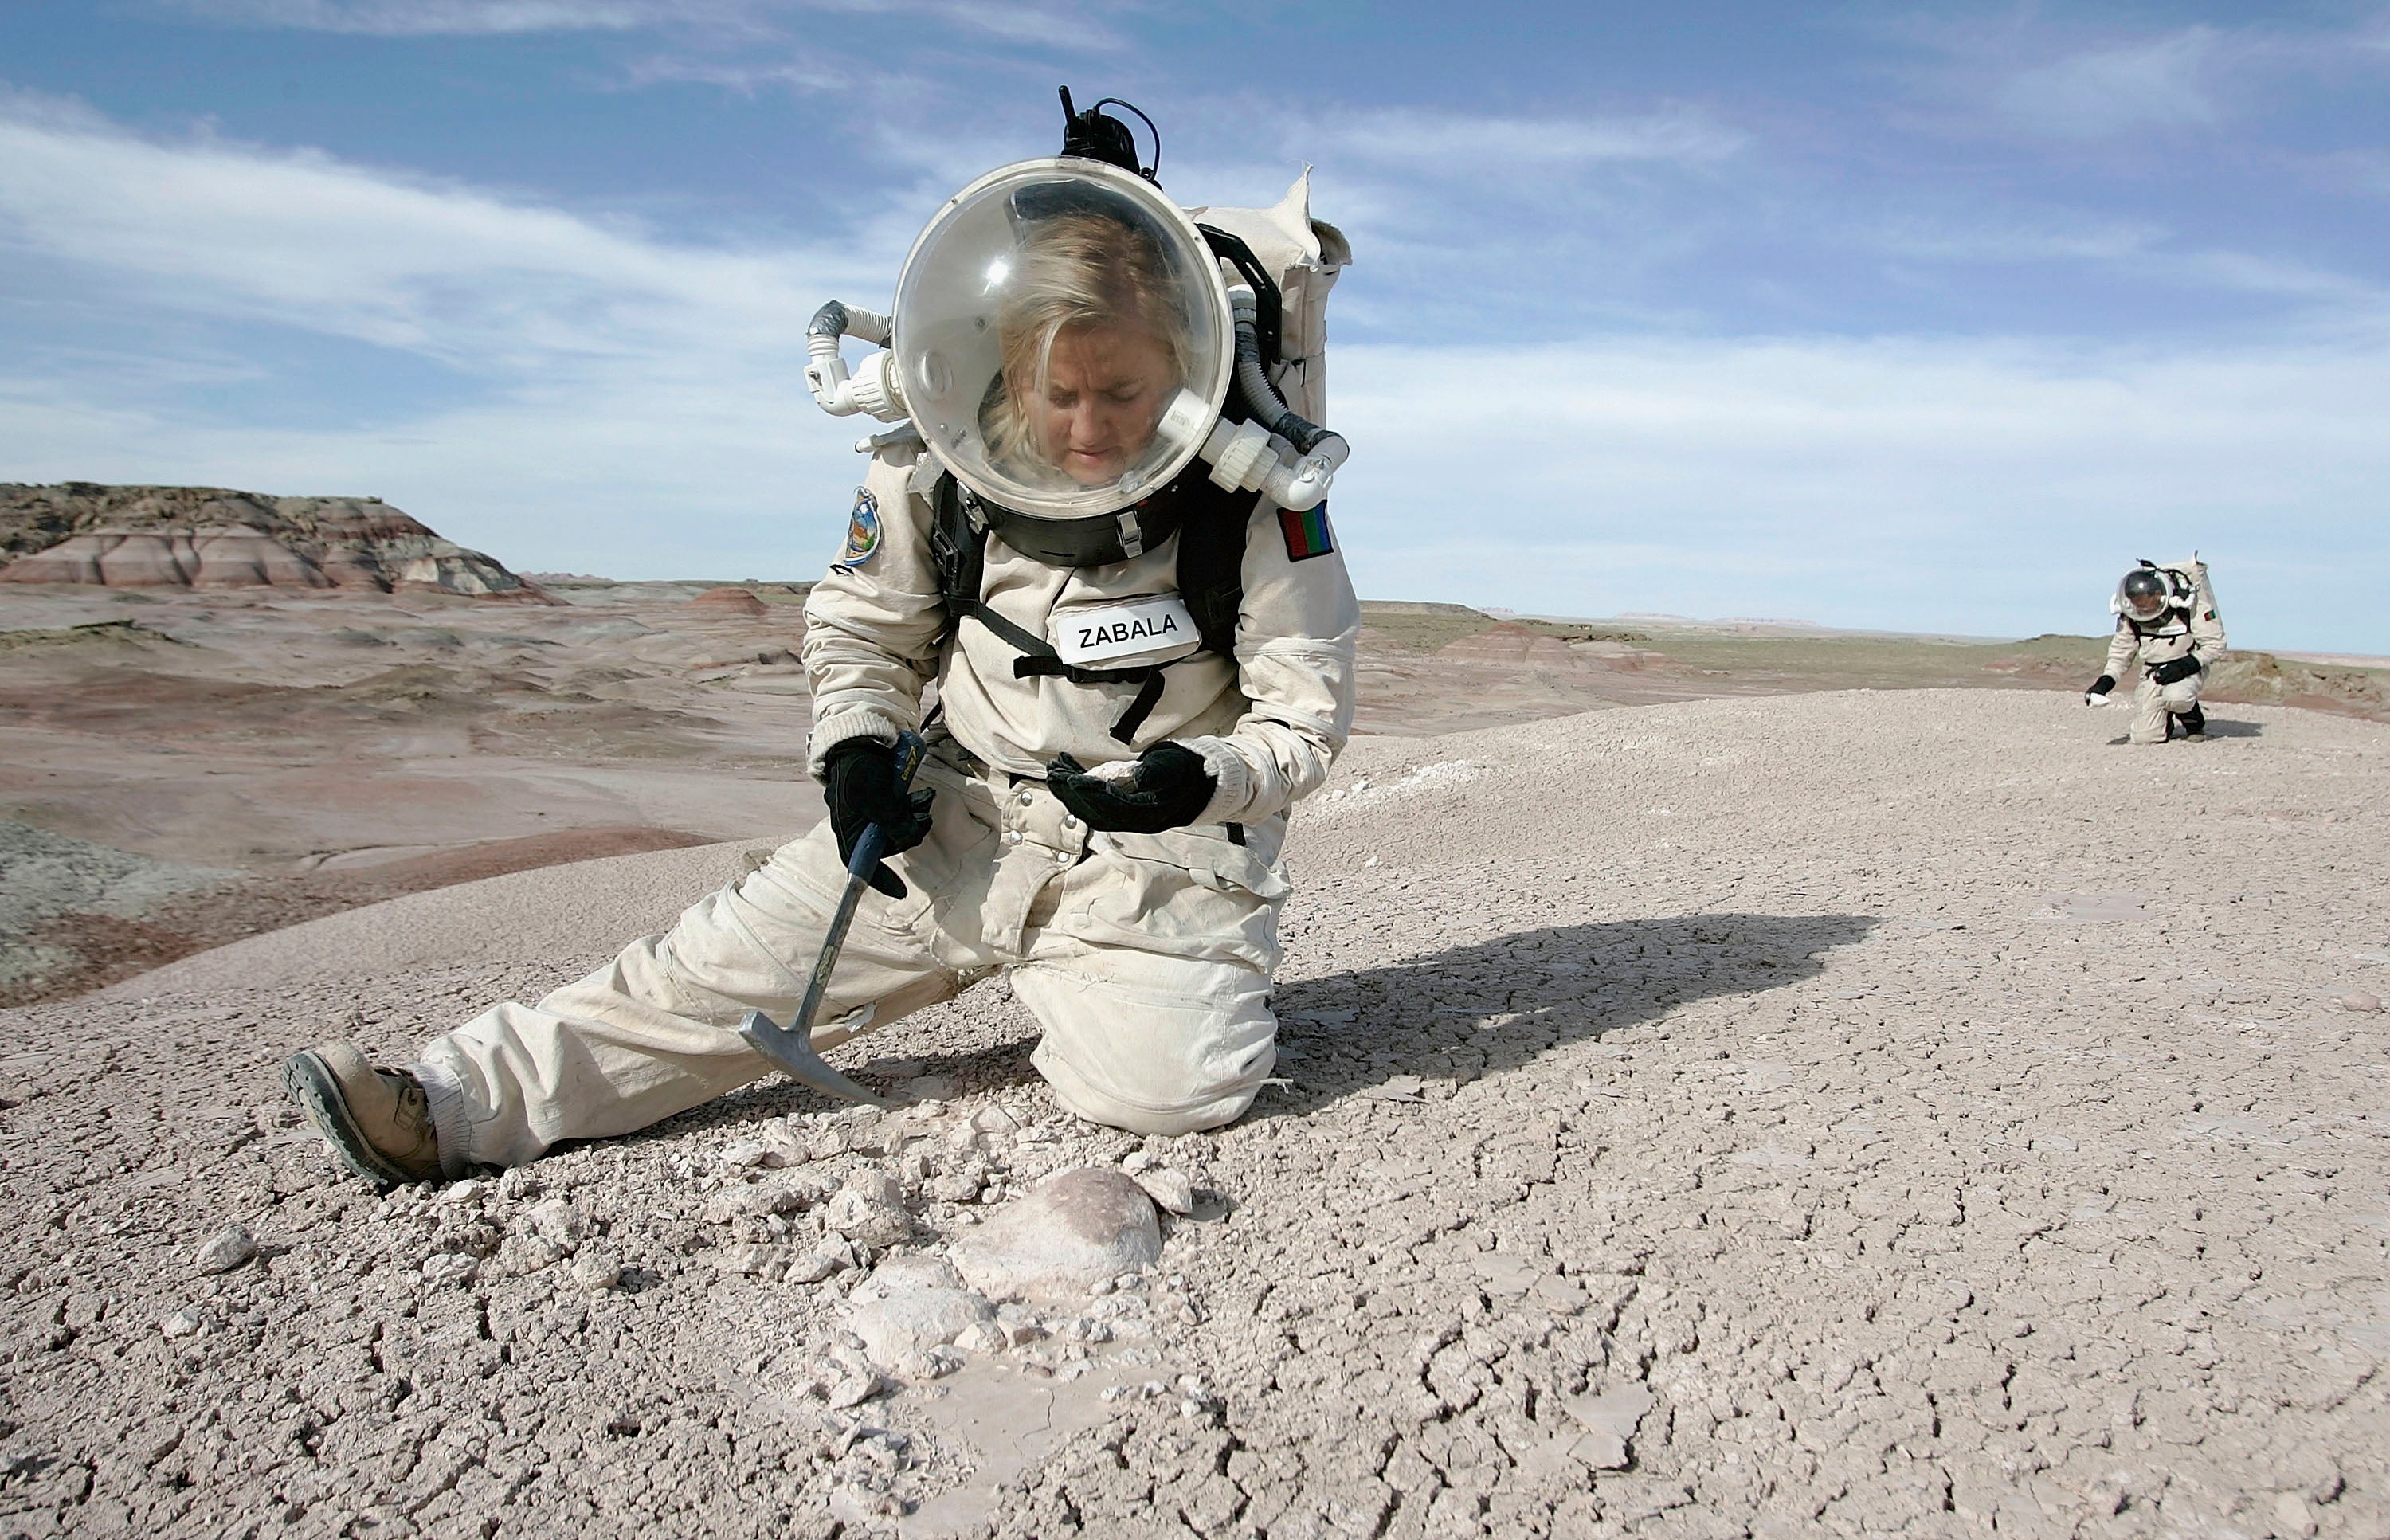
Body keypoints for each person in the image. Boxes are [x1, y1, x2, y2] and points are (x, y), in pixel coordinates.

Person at [284, 96, 1359, 1184]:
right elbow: (863, 626)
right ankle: (453, 1102)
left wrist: (1199, 781)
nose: (1088, 427)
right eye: (1059, 391)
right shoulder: (932, 467)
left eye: (1123, 391)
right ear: (1013, 364)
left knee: (1174, 1094)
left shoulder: (1258, 496)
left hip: (1151, 853)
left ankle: (1114, 975)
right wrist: (853, 746)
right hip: (953, 818)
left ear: (1177, 361)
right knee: (706, 971)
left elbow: (1304, 712)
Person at [2084, 558, 2225, 743]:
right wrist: (2104, 683)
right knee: (2144, 737)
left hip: (2187, 667)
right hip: (2153, 672)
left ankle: (2193, 721)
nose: (2141, 606)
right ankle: (2164, 721)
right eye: (2136, 602)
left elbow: (2215, 644)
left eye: (2145, 601)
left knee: (2177, 697)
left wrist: (2184, 667)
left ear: (2158, 594)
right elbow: (2121, 653)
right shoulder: (2132, 615)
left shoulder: (2188, 605)